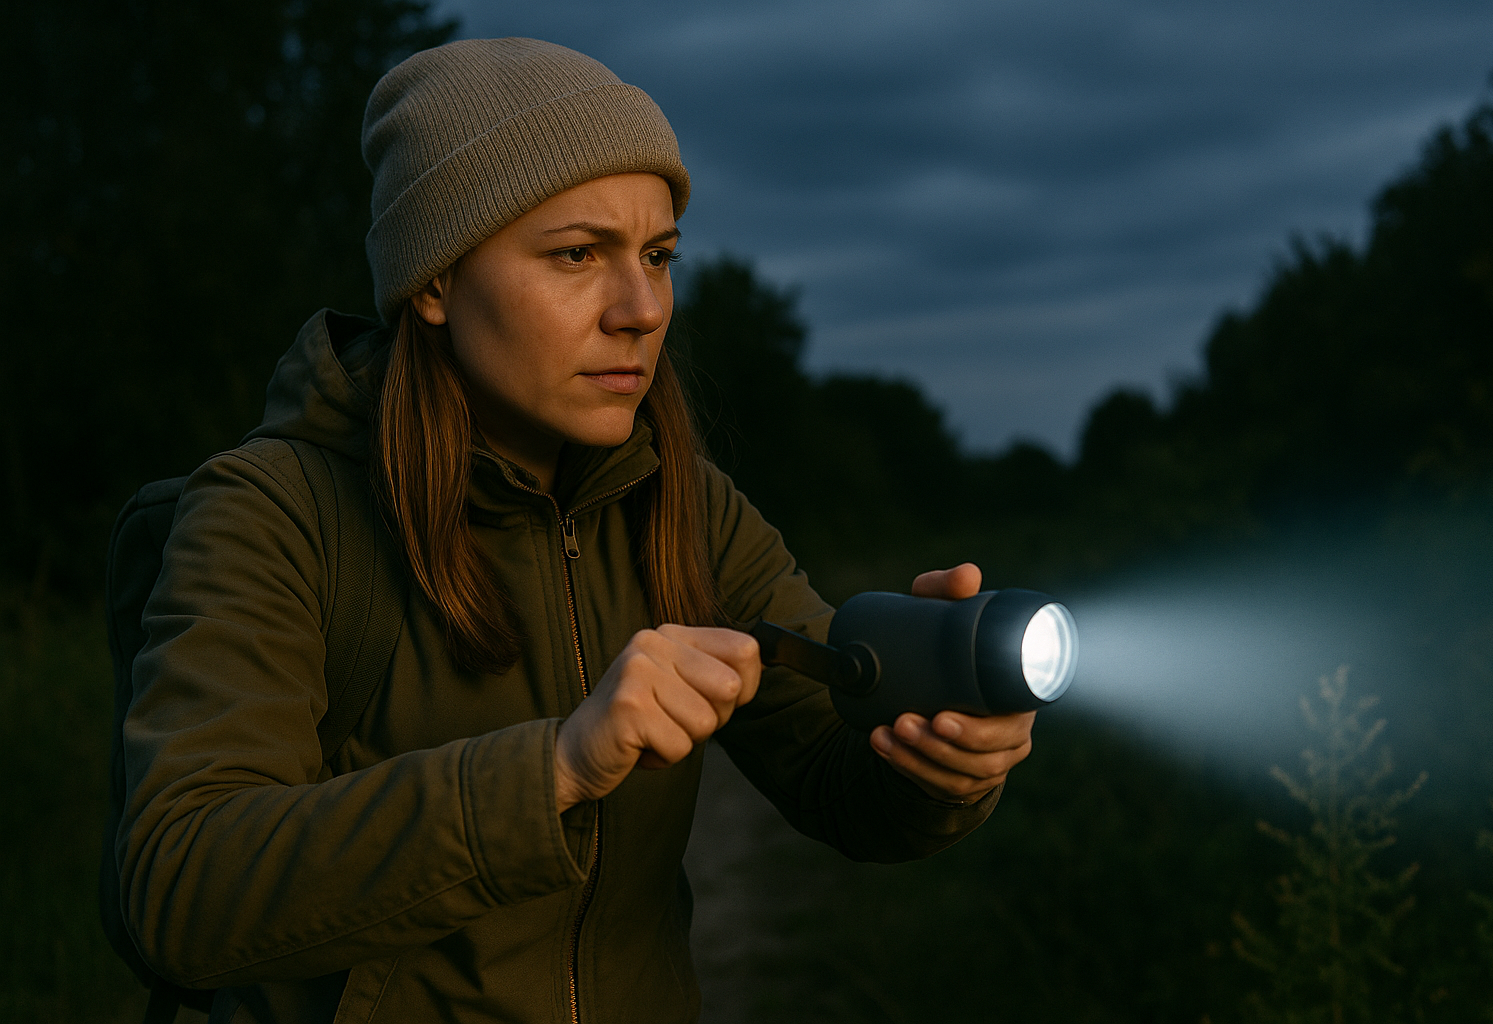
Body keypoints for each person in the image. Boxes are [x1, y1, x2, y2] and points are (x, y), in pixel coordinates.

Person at [116, 37, 1037, 1024]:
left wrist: (943, 759)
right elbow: (178, 890)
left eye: (658, 255)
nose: (642, 310)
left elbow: (836, 780)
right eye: (576, 254)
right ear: (434, 283)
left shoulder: (683, 501)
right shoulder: (272, 512)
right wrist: (557, 767)